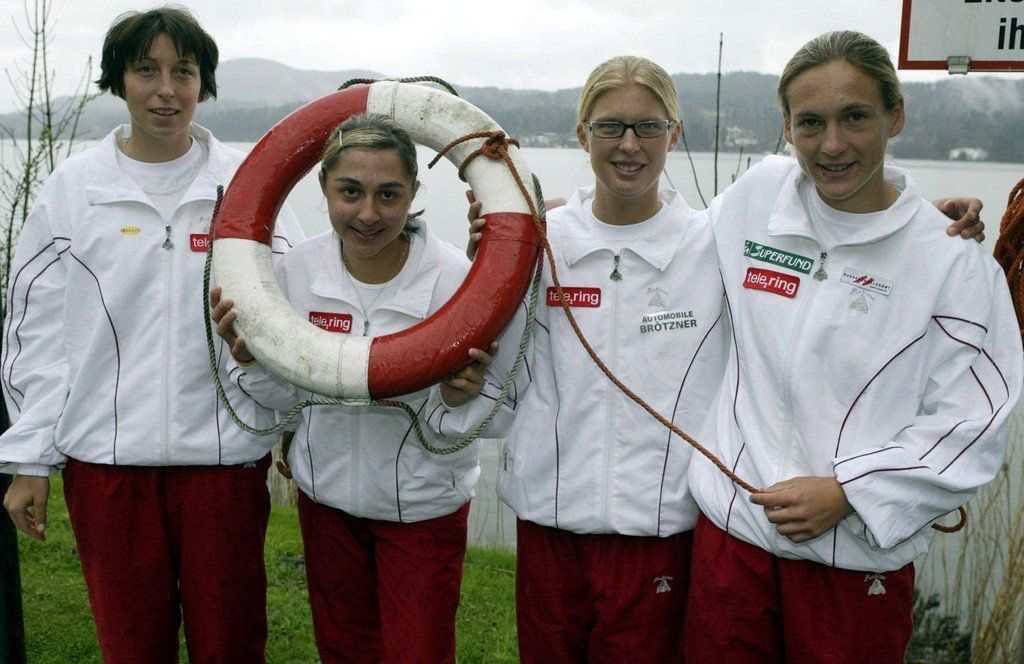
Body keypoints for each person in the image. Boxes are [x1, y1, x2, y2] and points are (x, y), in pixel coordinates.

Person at [433, 54, 988, 663]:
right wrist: (473, 354)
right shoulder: (540, 240)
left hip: (662, 531)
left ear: (674, 134)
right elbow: (502, 378)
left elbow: (830, 204)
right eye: (609, 126)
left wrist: (913, 221)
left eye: (648, 127)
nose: (629, 144)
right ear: (581, 135)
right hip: (547, 523)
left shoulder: (716, 239)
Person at [685, 31, 1022, 662]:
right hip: (732, 539)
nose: (832, 144)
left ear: (896, 116)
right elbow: (668, 256)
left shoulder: (952, 261)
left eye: (856, 117)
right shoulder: (755, 199)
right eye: (810, 122)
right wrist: (564, 226)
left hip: (855, 561)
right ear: (787, 128)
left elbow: (974, 423)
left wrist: (850, 492)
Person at [0, 8, 304, 662]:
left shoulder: (249, 184)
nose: (166, 90)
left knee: (231, 647)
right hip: (107, 469)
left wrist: (289, 419)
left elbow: (293, 315)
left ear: (203, 84)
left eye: (183, 72)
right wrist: (29, 459)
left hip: (223, 467)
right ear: (119, 80)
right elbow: (35, 334)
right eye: (146, 71)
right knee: (133, 648)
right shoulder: (73, 190)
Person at [210, 113, 491, 664]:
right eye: (350, 191)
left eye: (389, 194)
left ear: (414, 192)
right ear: (323, 188)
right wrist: (251, 360)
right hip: (329, 502)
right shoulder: (294, 272)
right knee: (343, 652)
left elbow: (493, 413)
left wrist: (457, 399)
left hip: (422, 510)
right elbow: (282, 402)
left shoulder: (456, 281)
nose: (367, 214)